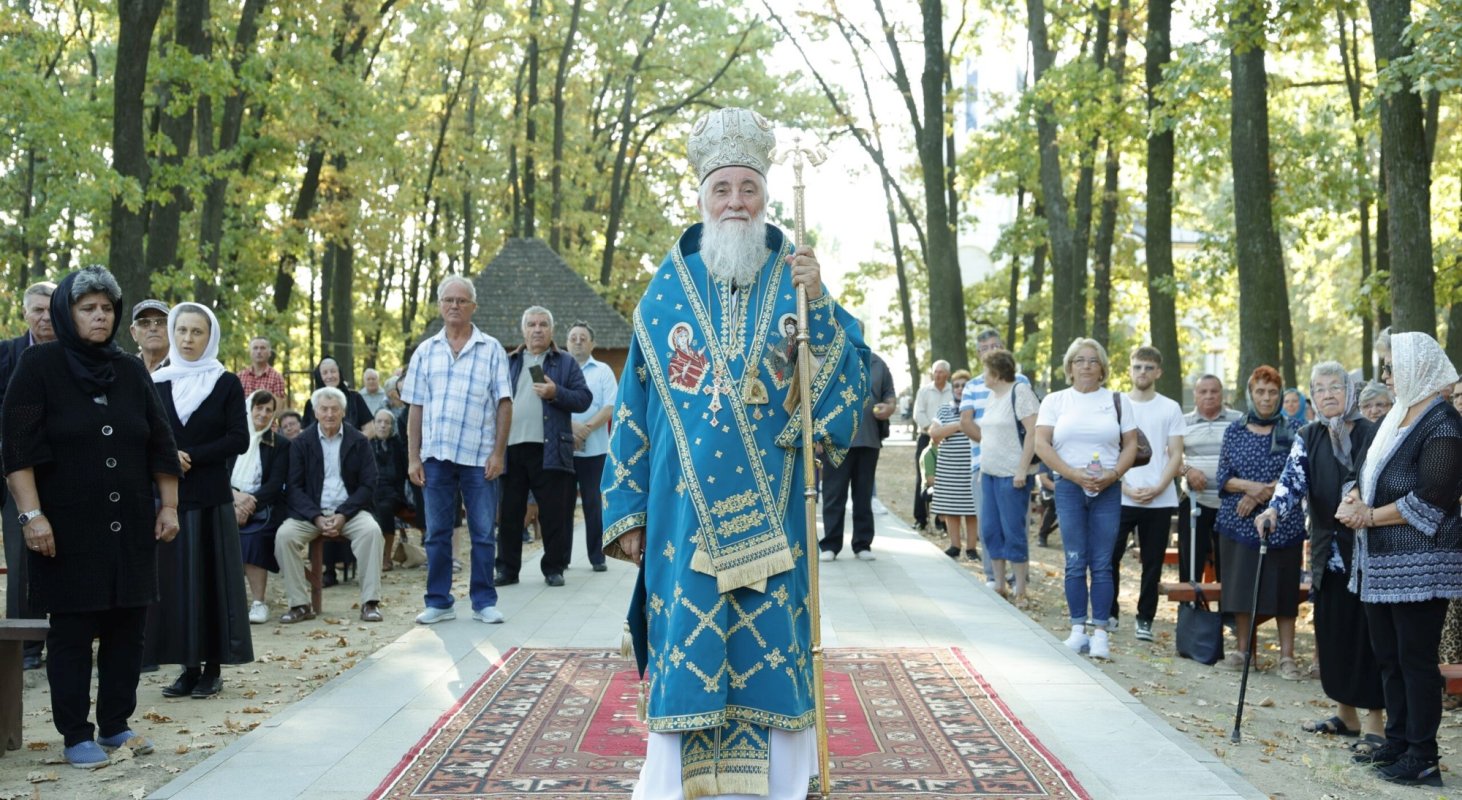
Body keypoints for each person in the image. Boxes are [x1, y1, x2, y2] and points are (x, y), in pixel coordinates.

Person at [603, 106, 868, 800]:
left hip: (773, 513)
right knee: (687, 651)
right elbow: (634, 406)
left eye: (748, 189)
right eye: (723, 189)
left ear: (765, 196)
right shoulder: (664, 296)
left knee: (770, 648)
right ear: (702, 196)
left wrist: (824, 305)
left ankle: (777, 788)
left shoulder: (797, 278)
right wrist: (626, 509)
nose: (736, 203)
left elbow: (847, 383)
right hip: (680, 516)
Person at [3, 265, 182, 768]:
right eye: (88, 309)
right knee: (74, 633)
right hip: (65, 528)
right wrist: (31, 515)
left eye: (106, 309)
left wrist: (167, 505)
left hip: (129, 526)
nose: (99, 317)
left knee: (128, 628)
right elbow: (17, 450)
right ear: (68, 312)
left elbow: (160, 440)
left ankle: (116, 727)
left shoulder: (128, 369)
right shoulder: (39, 367)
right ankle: (76, 733)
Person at [1335, 331, 1462, 786]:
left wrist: (1369, 516)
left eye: (1390, 367)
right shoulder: (1395, 419)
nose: (1385, 376)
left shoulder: (1443, 423)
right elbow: (1361, 469)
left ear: (1415, 368)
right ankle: (1398, 739)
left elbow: (1434, 497)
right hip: (1379, 561)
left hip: (1421, 565)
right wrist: (1351, 495)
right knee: (1387, 656)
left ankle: (1423, 756)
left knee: (1415, 659)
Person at [1255, 362, 1384, 747]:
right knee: (1333, 631)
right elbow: (1291, 480)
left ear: (1350, 392)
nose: (1328, 394)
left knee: (1367, 633)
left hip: (1367, 550)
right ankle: (1346, 715)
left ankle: (1376, 721)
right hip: (1328, 552)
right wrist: (1274, 509)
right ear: (1312, 396)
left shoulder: (1371, 433)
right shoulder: (1308, 435)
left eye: (1335, 387)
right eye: (1320, 388)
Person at [143, 302, 253, 699]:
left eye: (197, 332)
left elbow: (238, 438)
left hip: (210, 497)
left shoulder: (224, 382)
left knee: (211, 583)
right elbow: (147, 434)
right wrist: (169, 456)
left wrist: (191, 455)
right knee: (178, 586)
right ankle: (187, 668)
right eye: (183, 331)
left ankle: (212, 669)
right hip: (170, 500)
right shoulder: (158, 381)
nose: (188, 339)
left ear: (211, 337)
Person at [403, 276, 513, 624]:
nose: (454, 306)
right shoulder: (425, 351)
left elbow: (504, 404)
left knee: (482, 531)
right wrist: (413, 457)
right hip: (436, 456)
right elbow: (415, 407)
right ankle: (439, 601)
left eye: (461, 301)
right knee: (436, 533)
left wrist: (498, 453)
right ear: (440, 305)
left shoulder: (492, 348)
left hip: (479, 456)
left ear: (473, 307)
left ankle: (483, 601)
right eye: (448, 300)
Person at [1033, 338, 1138, 661]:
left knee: (1103, 563)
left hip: (1107, 488)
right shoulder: (1056, 401)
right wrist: (1071, 473)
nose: (1087, 366)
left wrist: (1114, 475)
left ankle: (1101, 633)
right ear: (1069, 367)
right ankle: (1078, 628)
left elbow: (1131, 445)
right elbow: (1041, 444)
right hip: (1069, 486)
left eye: (1093, 360)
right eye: (1079, 360)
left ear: (1103, 368)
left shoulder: (1117, 401)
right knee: (1075, 560)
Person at [1214, 365, 1305, 679]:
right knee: (1241, 588)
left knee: (1284, 591)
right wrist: (1250, 489)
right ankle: (1242, 652)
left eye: (1272, 392)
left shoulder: (1295, 430)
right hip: (1237, 522)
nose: (1266, 398)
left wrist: (1260, 495)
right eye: (1260, 392)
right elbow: (1223, 478)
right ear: (1250, 394)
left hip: (1284, 522)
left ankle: (1287, 658)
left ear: (1280, 395)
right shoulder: (1234, 429)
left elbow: (1297, 474)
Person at [495, 306, 590, 588]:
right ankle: (507, 570)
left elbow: (584, 398)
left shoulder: (564, 363)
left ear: (551, 330)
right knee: (510, 514)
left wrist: (555, 392)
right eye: (532, 324)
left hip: (549, 449)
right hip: (511, 449)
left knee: (553, 513)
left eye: (543, 324)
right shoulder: (509, 361)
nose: (537, 329)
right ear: (523, 330)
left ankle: (553, 567)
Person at [274, 387, 386, 624]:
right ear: (315, 412)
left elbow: (369, 484)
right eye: (324, 409)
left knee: (372, 531)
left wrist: (343, 514)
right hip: (311, 514)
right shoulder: (301, 443)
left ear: (343, 412)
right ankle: (300, 604)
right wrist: (316, 517)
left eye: (334, 409)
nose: (329, 414)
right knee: (284, 536)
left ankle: (370, 603)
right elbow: (293, 488)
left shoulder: (358, 441)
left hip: (350, 512)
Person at [1108, 346, 1186, 642]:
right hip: (1121, 494)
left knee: (1153, 563)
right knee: (1109, 557)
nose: (1143, 372)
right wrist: (1124, 484)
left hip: (1160, 498)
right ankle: (1109, 613)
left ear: (1158, 372)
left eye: (1149, 368)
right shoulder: (1116, 404)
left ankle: (1144, 619)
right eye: (1138, 367)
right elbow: (1109, 449)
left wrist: (1159, 487)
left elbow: (1176, 453)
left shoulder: (1170, 407)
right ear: (1130, 369)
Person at [0, 280, 57, 671]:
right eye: (37, 309)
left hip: (64, 472)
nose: (45, 317)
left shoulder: (75, 355)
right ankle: (27, 648)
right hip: (15, 475)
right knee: (22, 560)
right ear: (25, 313)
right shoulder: (5, 355)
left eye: (52, 310)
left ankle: (70, 639)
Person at [959, 328, 1029, 588]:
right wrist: (991, 446)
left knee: (1014, 524)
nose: (991, 351)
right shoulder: (973, 385)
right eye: (985, 348)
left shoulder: (1020, 383)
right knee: (989, 526)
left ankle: (1019, 579)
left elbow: (1030, 426)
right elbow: (966, 422)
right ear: (979, 354)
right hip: (983, 464)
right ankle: (993, 577)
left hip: (1013, 468)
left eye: (995, 346)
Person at [975, 349, 1040, 601]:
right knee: (991, 529)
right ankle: (999, 584)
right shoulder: (993, 396)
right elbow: (989, 437)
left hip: (1012, 476)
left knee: (1013, 530)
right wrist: (982, 470)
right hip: (989, 474)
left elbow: (1033, 432)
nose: (983, 376)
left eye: (985, 370)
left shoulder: (1020, 392)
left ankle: (1021, 588)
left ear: (997, 372)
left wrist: (1022, 469)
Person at [819, 350, 895, 561]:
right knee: (833, 494)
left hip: (869, 439)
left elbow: (889, 394)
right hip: (836, 440)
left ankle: (862, 544)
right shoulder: (831, 358)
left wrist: (888, 407)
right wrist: (818, 435)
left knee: (863, 495)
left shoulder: (878, 363)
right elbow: (819, 395)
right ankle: (830, 545)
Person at [1176, 374, 1243, 583]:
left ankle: (1229, 613)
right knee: (1190, 560)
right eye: (1203, 391)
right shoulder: (1182, 422)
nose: (1209, 396)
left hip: (1232, 503)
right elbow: (1170, 458)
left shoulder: (1239, 420)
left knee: (1230, 564)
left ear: (1222, 394)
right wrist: (1188, 470)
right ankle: (1190, 609)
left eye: (1214, 391)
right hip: (1195, 500)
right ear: (1195, 395)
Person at [232, 390, 290, 625]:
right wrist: (234, 500)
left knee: (253, 539)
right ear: (250, 408)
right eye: (259, 408)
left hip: (262, 509)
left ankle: (258, 603)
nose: (263, 414)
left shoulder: (280, 444)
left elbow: (275, 484)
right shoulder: (234, 438)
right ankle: (228, 602)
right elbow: (219, 474)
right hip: (226, 502)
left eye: (269, 410)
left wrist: (247, 506)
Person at [566, 320, 617, 572]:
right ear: (567, 342)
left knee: (593, 506)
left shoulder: (603, 371)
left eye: (582, 338)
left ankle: (597, 556)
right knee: (561, 505)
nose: (577, 341)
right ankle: (560, 558)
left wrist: (585, 429)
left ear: (592, 343)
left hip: (595, 450)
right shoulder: (559, 369)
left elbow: (610, 406)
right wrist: (572, 428)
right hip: (562, 448)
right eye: (573, 337)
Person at [929, 371, 977, 560]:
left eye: (963, 385)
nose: (959, 389)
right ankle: (955, 545)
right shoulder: (944, 410)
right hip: (948, 467)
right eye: (956, 385)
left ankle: (972, 548)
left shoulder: (976, 409)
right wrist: (959, 425)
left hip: (970, 466)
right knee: (951, 508)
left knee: (972, 509)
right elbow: (935, 434)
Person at [365, 408, 407, 573]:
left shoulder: (398, 445)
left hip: (393, 493)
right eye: (379, 422)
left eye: (386, 422)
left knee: (384, 509)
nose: (382, 426)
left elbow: (404, 473)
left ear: (392, 426)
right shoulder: (367, 444)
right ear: (374, 425)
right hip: (371, 492)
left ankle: (386, 556)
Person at [912, 360, 952, 530]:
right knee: (923, 476)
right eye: (935, 371)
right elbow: (918, 413)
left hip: (948, 440)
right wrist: (932, 430)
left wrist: (943, 433)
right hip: (925, 437)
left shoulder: (953, 391)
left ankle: (941, 520)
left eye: (941, 372)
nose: (938, 375)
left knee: (944, 478)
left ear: (947, 374)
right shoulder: (924, 391)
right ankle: (921, 518)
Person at [301, 356, 372, 430]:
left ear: (339, 373)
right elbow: (304, 433)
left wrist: (356, 441)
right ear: (319, 376)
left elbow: (370, 429)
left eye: (333, 371)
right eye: (325, 373)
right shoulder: (311, 403)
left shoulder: (355, 398)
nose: (330, 376)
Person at [238, 336, 287, 405]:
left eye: (262, 348)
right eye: (255, 348)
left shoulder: (277, 378)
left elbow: (279, 407)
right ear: (250, 352)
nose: (259, 351)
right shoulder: (240, 377)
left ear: (269, 353)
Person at [129, 299, 170, 373]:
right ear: (134, 333)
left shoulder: (185, 368)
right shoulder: (124, 369)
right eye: (144, 323)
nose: (153, 328)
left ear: (171, 329)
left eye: (160, 322)